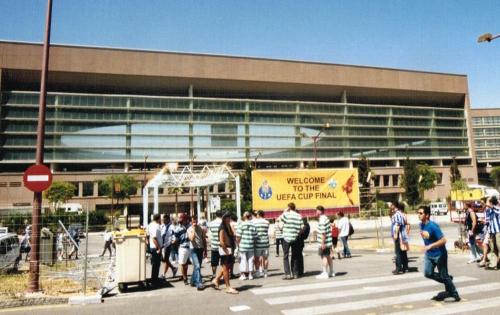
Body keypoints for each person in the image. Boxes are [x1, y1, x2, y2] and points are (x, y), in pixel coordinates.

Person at [418, 205, 460, 302]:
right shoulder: (421, 225)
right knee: (428, 273)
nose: (418, 215)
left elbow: (444, 240)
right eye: (418, 213)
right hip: (429, 254)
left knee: (443, 275)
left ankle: (455, 295)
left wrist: (430, 246)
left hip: (440, 254)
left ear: (427, 215)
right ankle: (448, 279)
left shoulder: (433, 226)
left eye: (421, 213)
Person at [212, 212, 238, 294]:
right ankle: (228, 287)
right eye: (227, 218)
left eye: (230, 217)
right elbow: (221, 241)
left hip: (229, 248)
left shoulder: (228, 225)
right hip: (225, 249)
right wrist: (226, 250)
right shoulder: (222, 227)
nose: (229, 219)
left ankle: (216, 279)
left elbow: (233, 234)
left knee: (227, 267)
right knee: (226, 268)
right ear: (224, 218)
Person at [281, 202, 304, 280]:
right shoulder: (299, 216)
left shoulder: (286, 215)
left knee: (285, 256)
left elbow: (280, 223)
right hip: (295, 238)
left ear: (289, 208)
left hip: (286, 238)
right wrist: (297, 234)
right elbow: (302, 227)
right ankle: (295, 273)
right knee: (295, 256)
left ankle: (288, 274)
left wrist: (284, 211)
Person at [187, 216, 207, 290]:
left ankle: (192, 281)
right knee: (198, 266)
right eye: (193, 222)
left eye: (195, 221)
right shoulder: (189, 229)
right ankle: (199, 283)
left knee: (197, 267)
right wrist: (194, 230)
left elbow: (204, 239)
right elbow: (191, 239)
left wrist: (205, 251)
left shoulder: (201, 228)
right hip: (193, 250)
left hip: (200, 249)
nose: (194, 223)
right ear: (191, 222)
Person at [236, 211, 257, 280]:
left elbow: (238, 236)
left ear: (244, 216)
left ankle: (243, 275)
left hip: (243, 245)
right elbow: (255, 237)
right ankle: (250, 274)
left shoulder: (241, 224)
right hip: (250, 245)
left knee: (243, 260)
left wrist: (237, 244)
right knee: (251, 260)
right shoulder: (253, 225)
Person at [316, 206, 334, 279]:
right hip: (328, 241)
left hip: (324, 242)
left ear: (320, 211)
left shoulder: (322, 219)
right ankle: (331, 271)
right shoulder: (326, 218)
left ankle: (325, 273)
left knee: (324, 256)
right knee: (328, 256)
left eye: (317, 211)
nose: (316, 212)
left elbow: (323, 233)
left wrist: (323, 243)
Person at [173, 212, 191, 285]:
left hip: (191, 247)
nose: (181, 221)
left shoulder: (190, 226)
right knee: (182, 264)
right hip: (182, 247)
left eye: (182, 219)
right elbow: (176, 239)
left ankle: (186, 276)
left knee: (187, 264)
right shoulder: (177, 228)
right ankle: (184, 278)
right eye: (180, 220)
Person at [390, 202, 407, 274]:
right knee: (402, 252)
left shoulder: (397, 214)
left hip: (399, 236)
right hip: (401, 235)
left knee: (398, 252)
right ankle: (404, 267)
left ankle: (398, 268)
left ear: (395, 206)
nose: (391, 206)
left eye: (392, 205)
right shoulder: (400, 213)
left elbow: (398, 224)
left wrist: (396, 234)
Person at [147, 213, 163, 285]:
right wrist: (158, 248)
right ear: (158, 218)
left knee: (155, 264)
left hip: (153, 247)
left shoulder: (150, 225)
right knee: (156, 264)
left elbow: (148, 236)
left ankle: (154, 278)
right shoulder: (156, 226)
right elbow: (154, 238)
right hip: (155, 247)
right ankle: (154, 280)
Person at [253, 210, 270, 278]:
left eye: (257, 214)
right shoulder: (267, 222)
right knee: (265, 258)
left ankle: (258, 272)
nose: (256, 215)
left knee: (257, 258)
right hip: (265, 242)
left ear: (259, 215)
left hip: (258, 242)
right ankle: (265, 272)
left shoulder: (254, 222)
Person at [485, 196, 500, 270]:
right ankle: (493, 264)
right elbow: (488, 221)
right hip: (492, 232)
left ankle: (498, 264)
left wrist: (490, 206)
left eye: (488, 201)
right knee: (493, 249)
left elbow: (497, 211)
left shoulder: (497, 208)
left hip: (498, 231)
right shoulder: (489, 210)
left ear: (491, 202)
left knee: (499, 247)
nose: (486, 203)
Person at [161, 214, 177, 278]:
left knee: (166, 259)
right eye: (163, 220)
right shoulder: (162, 226)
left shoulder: (171, 226)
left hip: (168, 245)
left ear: (168, 219)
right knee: (164, 260)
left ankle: (163, 274)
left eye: (165, 220)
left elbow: (174, 234)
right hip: (163, 245)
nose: (163, 221)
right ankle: (173, 268)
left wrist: (173, 240)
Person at [209, 210, 223, 279]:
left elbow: (209, 234)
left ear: (215, 215)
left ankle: (214, 274)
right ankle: (222, 274)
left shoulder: (211, 223)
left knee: (214, 262)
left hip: (214, 245)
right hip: (222, 245)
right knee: (223, 262)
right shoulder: (223, 223)